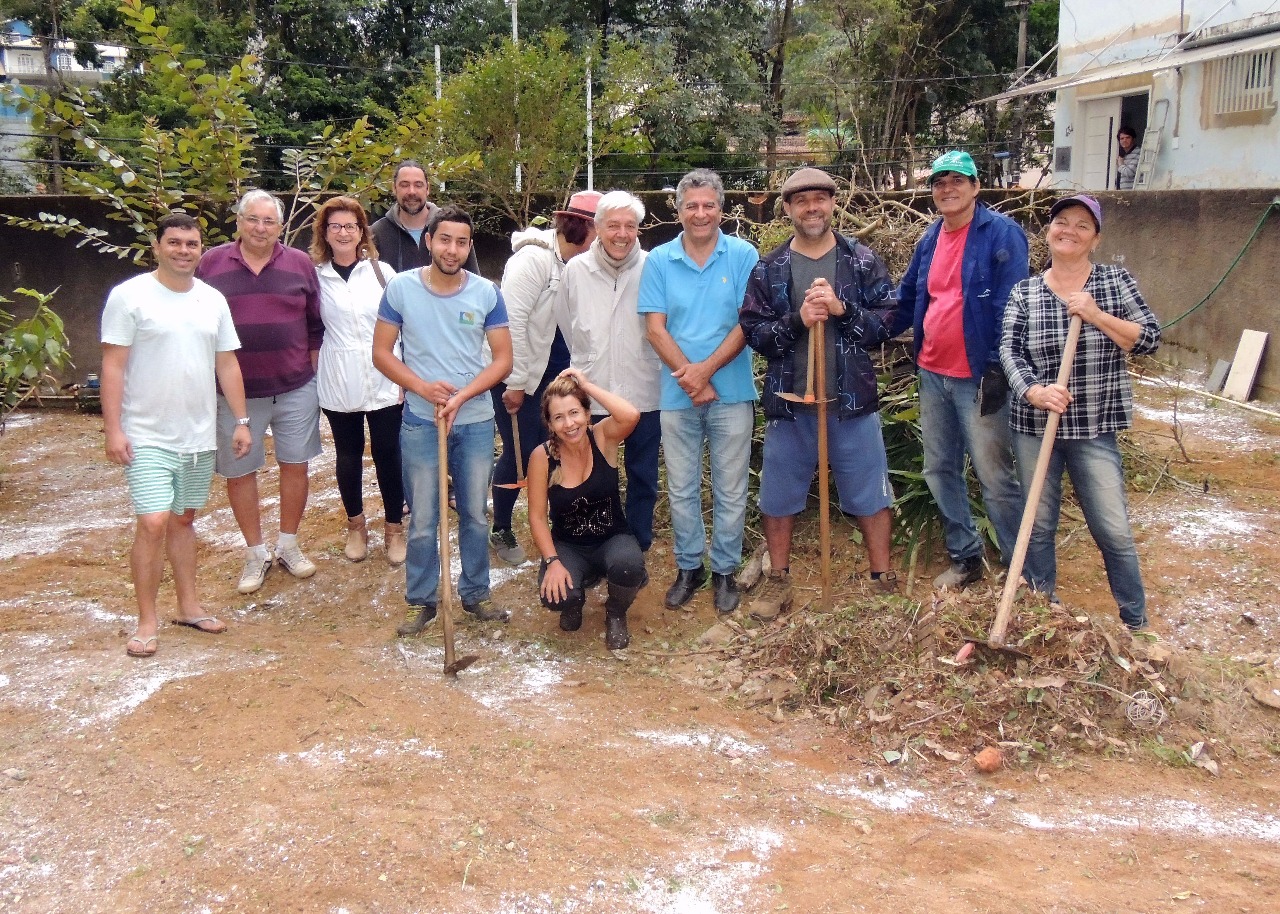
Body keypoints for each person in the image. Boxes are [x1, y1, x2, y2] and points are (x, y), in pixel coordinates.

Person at [739, 167, 898, 622]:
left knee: (870, 494)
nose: (812, 207)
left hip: (851, 403)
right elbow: (755, 334)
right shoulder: (769, 268)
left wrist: (844, 310)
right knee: (778, 496)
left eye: (820, 199)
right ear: (787, 209)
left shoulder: (861, 260)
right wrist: (798, 320)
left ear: (832, 204)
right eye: (802, 200)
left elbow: (887, 323)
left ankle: (882, 579)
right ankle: (779, 581)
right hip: (791, 404)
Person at [1000, 194, 1160, 631]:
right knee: (1038, 524)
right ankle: (1040, 613)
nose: (1069, 230)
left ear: (1095, 238)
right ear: (1048, 231)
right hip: (1034, 427)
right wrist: (1033, 391)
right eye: (1061, 222)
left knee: (1113, 529)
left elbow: (1148, 338)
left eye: (1081, 225)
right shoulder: (1025, 291)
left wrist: (1095, 314)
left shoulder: (1113, 282)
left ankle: (1136, 623)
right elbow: (1009, 351)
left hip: (1093, 427)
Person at [100, 213, 251, 657]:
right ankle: (146, 620)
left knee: (184, 520)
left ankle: (189, 606)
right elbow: (113, 365)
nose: (183, 250)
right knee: (152, 522)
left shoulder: (212, 300)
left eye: (191, 243)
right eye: (175, 242)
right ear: (157, 246)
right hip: (146, 433)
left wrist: (241, 422)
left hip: (199, 435)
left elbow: (227, 363)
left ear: (201, 249)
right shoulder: (129, 297)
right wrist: (114, 429)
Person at [372, 205, 514, 636]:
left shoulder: (486, 293)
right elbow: (381, 353)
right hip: (420, 420)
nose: (452, 249)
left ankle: (475, 593)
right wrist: (422, 388)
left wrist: (462, 395)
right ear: (429, 241)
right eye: (445, 240)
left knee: (474, 514)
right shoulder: (400, 289)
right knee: (424, 519)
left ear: (469, 246)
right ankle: (422, 600)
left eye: (462, 242)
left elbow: (504, 360)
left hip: (473, 422)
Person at [890, 150, 1028, 589]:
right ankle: (966, 557)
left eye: (957, 180)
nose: (947, 189)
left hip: (978, 377)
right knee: (939, 469)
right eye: (939, 182)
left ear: (975, 186)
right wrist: (857, 322)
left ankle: (1019, 568)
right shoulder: (930, 239)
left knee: (994, 475)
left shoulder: (1001, 234)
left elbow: (1012, 308)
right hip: (932, 374)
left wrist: (996, 370)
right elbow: (908, 299)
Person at [638, 169, 757, 614]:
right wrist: (691, 378)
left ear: (721, 210)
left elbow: (749, 322)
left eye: (709, 205)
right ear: (679, 210)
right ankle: (690, 567)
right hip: (677, 395)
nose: (701, 213)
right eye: (692, 205)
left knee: (730, 486)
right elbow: (655, 328)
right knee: (683, 488)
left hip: (732, 392)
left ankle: (725, 569)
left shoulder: (743, 255)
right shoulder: (659, 260)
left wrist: (704, 372)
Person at [197, 189, 325, 595]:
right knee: (240, 472)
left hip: (294, 387)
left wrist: (312, 377)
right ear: (238, 220)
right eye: (253, 219)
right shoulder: (210, 264)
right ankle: (255, 552)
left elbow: (314, 325)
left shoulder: (301, 264)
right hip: (235, 395)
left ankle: (288, 543)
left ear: (281, 226)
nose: (260, 228)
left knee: (296, 464)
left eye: (269, 221)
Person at [489, 189, 602, 566]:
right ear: (583, 228)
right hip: (521, 377)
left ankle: (555, 525)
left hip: (556, 377)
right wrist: (516, 382)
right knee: (520, 453)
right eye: (599, 230)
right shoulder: (533, 260)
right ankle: (501, 526)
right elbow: (511, 322)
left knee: (554, 451)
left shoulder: (578, 264)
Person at [556, 190, 662, 552]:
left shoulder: (654, 267)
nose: (621, 234)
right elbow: (567, 323)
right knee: (594, 477)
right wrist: (589, 358)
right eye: (613, 225)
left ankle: (636, 545)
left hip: (644, 389)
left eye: (629, 226)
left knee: (643, 475)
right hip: (594, 392)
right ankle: (597, 545)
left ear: (638, 229)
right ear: (597, 227)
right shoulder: (576, 270)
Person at [310, 196, 406, 565]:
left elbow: (403, 327)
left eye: (351, 226)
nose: (344, 232)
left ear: (362, 231)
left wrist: (405, 375)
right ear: (325, 232)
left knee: (388, 454)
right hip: (338, 377)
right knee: (348, 455)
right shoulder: (315, 278)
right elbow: (310, 328)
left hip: (385, 375)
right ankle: (356, 526)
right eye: (336, 226)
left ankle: (394, 528)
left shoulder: (384, 274)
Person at [529, 369, 647, 650]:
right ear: (550, 423)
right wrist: (552, 561)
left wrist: (587, 385)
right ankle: (575, 600)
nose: (569, 424)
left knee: (630, 568)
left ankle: (616, 613)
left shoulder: (603, 437)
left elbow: (631, 415)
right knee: (557, 596)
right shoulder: (542, 457)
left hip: (612, 538)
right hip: (569, 546)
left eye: (574, 413)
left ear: (587, 413)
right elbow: (536, 516)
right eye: (559, 417)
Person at [370, 160, 480, 274]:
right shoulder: (378, 232)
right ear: (394, 188)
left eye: (418, 185)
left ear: (427, 189)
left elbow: (474, 282)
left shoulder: (451, 227)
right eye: (404, 185)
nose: (411, 191)